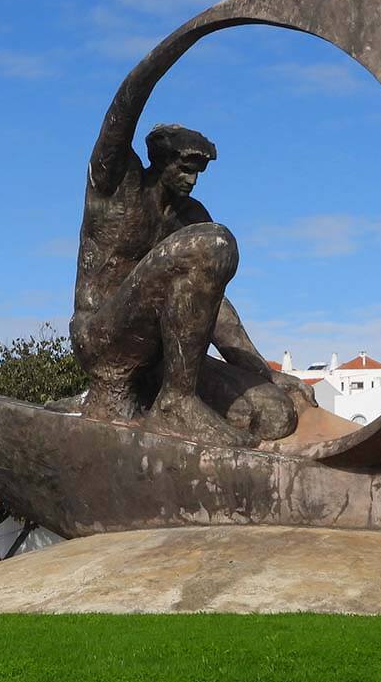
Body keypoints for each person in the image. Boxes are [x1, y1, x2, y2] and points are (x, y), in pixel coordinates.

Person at [70, 124, 313, 447]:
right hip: (103, 339)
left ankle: (174, 396)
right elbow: (120, 119)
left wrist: (262, 372)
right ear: (160, 160)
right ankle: (175, 404)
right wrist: (157, 69)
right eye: (185, 170)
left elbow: (210, 306)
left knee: (275, 415)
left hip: (158, 358)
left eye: (198, 172)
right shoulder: (118, 187)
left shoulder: (191, 215)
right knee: (215, 241)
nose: (192, 180)